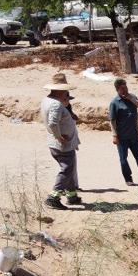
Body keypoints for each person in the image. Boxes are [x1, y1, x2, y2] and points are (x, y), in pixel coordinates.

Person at [41, 73, 81, 210]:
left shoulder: (47, 100)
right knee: (67, 169)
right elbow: (53, 124)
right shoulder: (56, 104)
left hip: (58, 142)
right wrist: (59, 136)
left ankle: (72, 195)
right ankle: (54, 197)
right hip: (61, 143)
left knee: (69, 168)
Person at [109, 78, 138, 187]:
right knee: (123, 159)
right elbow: (112, 121)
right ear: (117, 89)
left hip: (134, 135)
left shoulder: (132, 97)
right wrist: (114, 135)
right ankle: (128, 178)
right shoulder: (114, 103)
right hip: (122, 137)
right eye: (122, 88)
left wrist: (130, 98)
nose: (125, 89)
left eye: (126, 87)